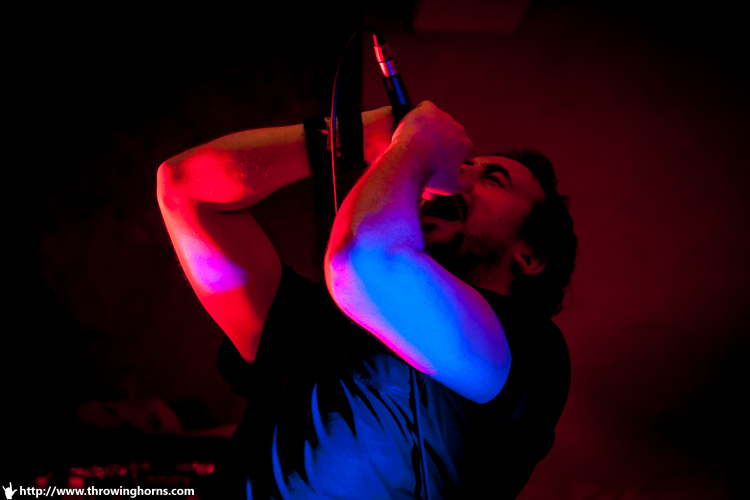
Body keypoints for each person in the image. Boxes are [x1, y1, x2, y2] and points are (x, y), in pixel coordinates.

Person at [156, 101, 576, 499]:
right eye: (466, 164)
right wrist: (360, 135)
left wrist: (416, 143)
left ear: (531, 256)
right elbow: (184, 187)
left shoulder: (533, 353)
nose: (461, 172)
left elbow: (362, 263)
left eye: (493, 178)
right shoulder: (316, 319)